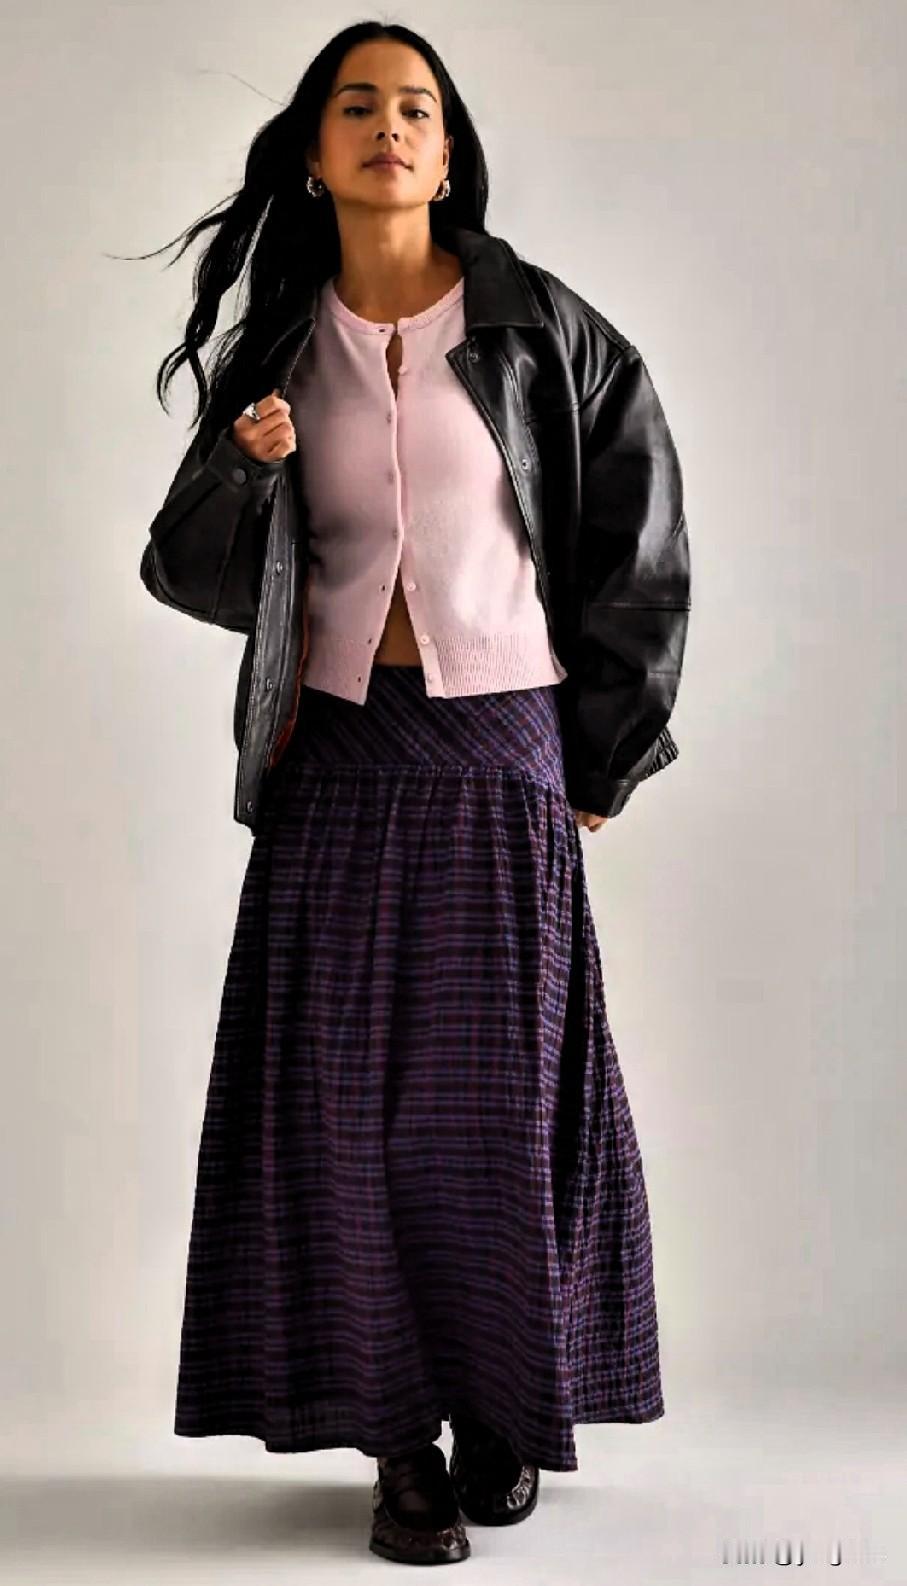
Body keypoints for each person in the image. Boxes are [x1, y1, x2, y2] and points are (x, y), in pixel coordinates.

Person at [136, 19, 690, 1569]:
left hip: (502, 747)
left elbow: (641, 542)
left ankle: (506, 1408)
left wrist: (604, 752)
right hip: (334, 753)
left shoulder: (540, 330)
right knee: (347, 1115)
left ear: (448, 156)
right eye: (358, 106)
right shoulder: (277, 348)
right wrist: (245, 468)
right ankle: (401, 1440)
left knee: (495, 1107)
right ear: (317, 154)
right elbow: (185, 569)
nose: (389, 126)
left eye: (417, 109)